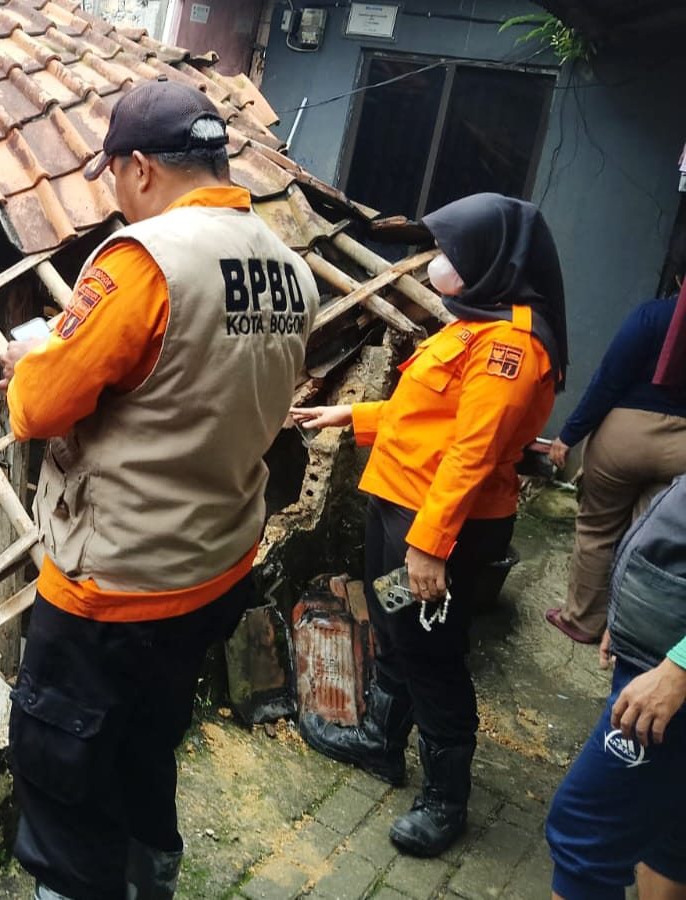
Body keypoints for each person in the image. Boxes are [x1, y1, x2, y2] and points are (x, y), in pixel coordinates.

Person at [0, 79, 318, 900]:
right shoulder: (289, 268)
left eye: (114, 175)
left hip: (114, 584)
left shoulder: (144, 263)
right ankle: (152, 881)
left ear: (139, 167)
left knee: (63, 779)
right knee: (145, 747)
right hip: (213, 567)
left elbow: (40, 409)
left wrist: (30, 362)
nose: (116, 195)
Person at [291, 193, 566, 858]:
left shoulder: (511, 347)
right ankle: (380, 743)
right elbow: (429, 415)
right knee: (395, 627)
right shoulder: (476, 323)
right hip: (402, 510)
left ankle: (446, 800)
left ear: (491, 260)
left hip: (440, 530)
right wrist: (353, 417)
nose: (437, 261)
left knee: (433, 655)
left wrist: (431, 548)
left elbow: (472, 451)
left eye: (450, 251)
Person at [544, 474, 686, 900]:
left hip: (669, 680)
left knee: (583, 832)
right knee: (669, 830)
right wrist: (631, 623)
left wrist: (680, 665)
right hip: (658, 654)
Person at [545, 289, 686, 644]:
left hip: (624, 437)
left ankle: (581, 621)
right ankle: (626, 633)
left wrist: (569, 434)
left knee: (597, 528)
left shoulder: (652, 315)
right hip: (682, 451)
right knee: (648, 539)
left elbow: (608, 381)